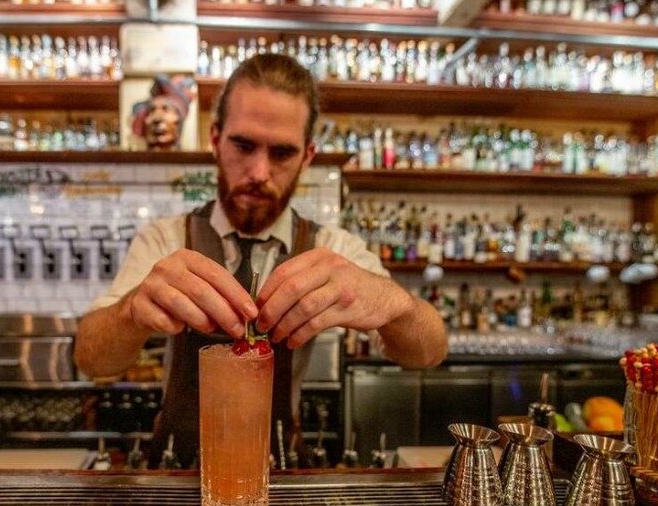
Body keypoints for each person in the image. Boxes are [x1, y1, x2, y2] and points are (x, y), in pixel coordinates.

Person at [75, 54, 448, 467]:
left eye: (282, 153)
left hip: (280, 468)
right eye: (244, 146)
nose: (258, 172)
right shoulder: (164, 240)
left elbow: (428, 353)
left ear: (307, 157)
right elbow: (91, 360)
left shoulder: (333, 249)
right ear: (216, 140)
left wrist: (392, 303)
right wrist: (131, 312)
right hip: (176, 472)